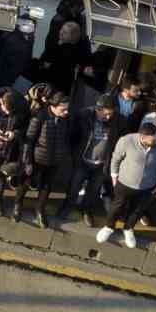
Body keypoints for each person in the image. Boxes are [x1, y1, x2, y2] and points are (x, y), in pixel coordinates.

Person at [58, 94, 121, 226]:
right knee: (74, 187)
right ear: (98, 109)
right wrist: (73, 155)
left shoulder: (117, 121)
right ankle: (67, 206)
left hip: (102, 164)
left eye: (111, 114)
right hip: (83, 161)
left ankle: (87, 211)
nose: (109, 117)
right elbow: (72, 136)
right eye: (106, 114)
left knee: (93, 191)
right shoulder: (84, 116)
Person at [97, 121, 156, 249]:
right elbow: (116, 159)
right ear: (142, 137)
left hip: (147, 186)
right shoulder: (126, 141)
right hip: (125, 183)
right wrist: (114, 177)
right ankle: (109, 227)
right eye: (153, 140)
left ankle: (128, 229)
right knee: (117, 206)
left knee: (137, 210)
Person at [15, 91, 72, 228]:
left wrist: (63, 154)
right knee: (26, 183)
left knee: (47, 187)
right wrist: (27, 161)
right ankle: (17, 205)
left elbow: (66, 138)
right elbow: (29, 140)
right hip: (37, 158)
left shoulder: (66, 120)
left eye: (67, 109)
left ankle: (39, 210)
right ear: (53, 106)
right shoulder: (40, 117)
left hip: (55, 160)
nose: (66, 112)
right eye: (63, 109)